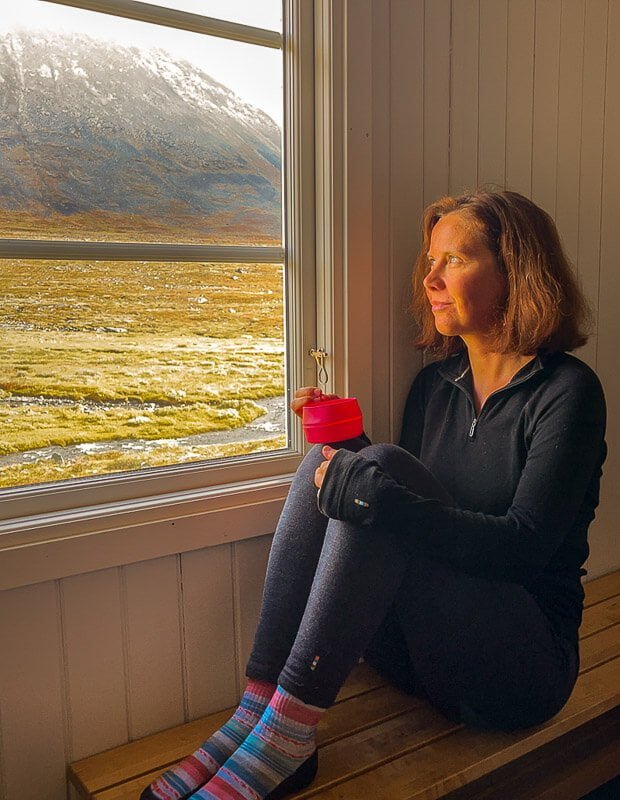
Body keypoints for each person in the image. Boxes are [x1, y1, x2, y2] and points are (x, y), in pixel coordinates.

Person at [141, 189, 606, 800]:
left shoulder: (567, 394)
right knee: (333, 460)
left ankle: (285, 738)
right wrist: (346, 446)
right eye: (431, 260)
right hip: (414, 657)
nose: (431, 278)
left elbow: (521, 551)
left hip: (516, 670)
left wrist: (375, 485)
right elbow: (424, 512)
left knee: (374, 470)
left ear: (516, 273)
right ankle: (257, 712)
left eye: (456, 261)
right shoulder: (435, 385)